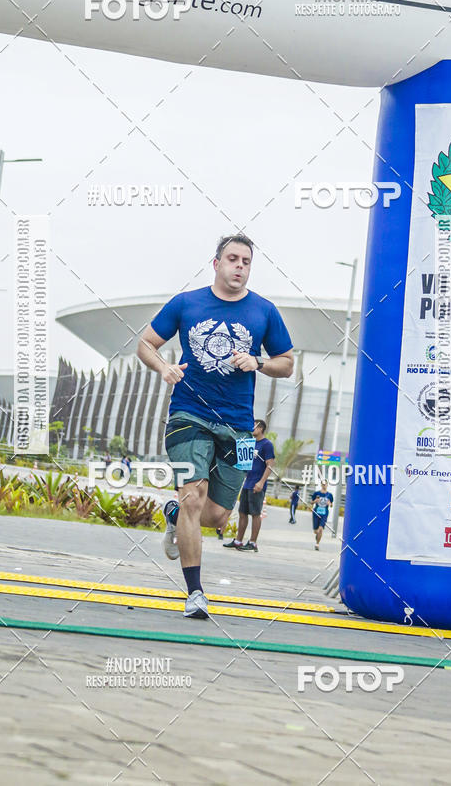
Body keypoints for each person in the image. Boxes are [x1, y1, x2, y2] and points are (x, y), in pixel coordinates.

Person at [137, 233, 294, 619]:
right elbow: (145, 344)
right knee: (193, 493)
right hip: (188, 415)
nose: (239, 267)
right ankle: (195, 593)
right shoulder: (186, 304)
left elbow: (287, 363)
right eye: (233, 259)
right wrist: (164, 368)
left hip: (239, 429)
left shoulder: (264, 312)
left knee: (216, 517)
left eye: (246, 262)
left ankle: (174, 518)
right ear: (217, 263)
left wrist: (258, 362)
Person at [223, 419, 274, 552]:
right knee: (242, 513)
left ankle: (253, 542)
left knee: (256, 514)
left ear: (261, 428)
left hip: (257, 484)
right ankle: (238, 541)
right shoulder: (250, 443)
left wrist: (261, 482)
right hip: (247, 483)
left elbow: (270, 465)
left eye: (254, 426)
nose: (252, 428)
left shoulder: (267, 445)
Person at [311, 479, 333, 550]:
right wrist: (315, 501)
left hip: (324, 514)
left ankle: (317, 544)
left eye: (325, 484)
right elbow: (311, 502)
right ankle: (317, 535)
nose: (324, 486)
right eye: (323, 484)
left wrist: (330, 504)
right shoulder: (316, 493)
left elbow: (331, 505)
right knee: (315, 531)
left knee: (320, 529)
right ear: (321, 485)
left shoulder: (329, 495)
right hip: (316, 513)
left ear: (327, 485)